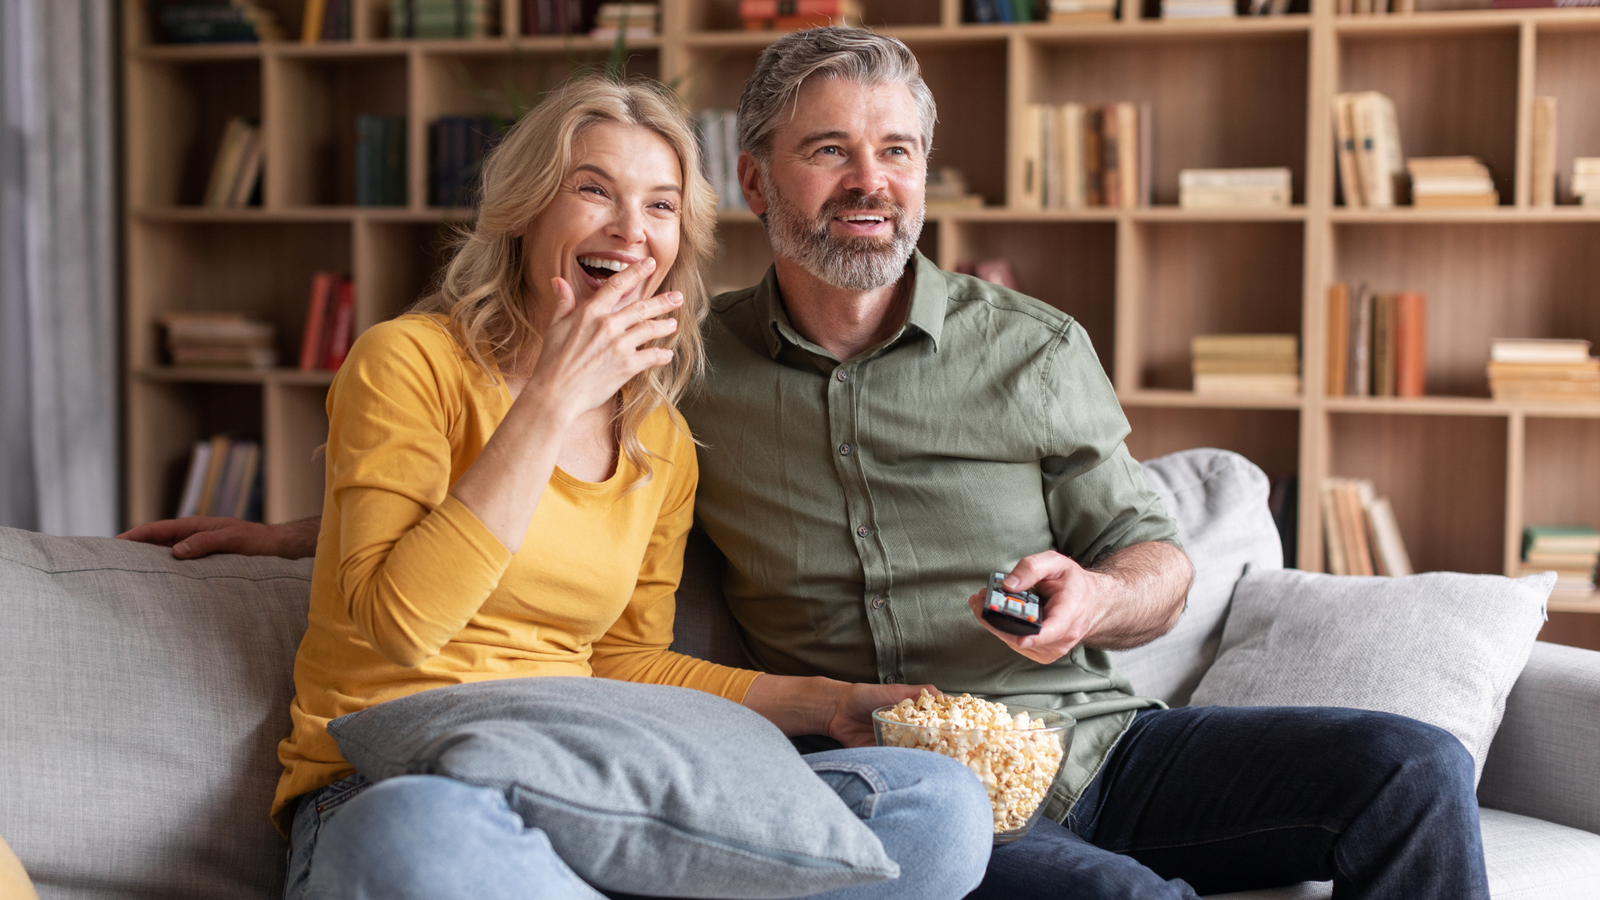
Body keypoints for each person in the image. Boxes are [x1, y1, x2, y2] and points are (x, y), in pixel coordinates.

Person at [125, 30, 1489, 900]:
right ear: (765, 182)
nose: (868, 181)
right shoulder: (657, 373)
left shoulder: (966, 361)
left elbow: (1152, 555)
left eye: (895, 151)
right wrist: (320, 525)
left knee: (1401, 769)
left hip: (1084, 741)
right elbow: (436, 569)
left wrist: (1089, 597)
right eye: (829, 149)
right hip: (472, 765)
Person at [133, 77, 994, 900]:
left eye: (659, 205)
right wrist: (550, 399)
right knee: (413, 836)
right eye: (594, 191)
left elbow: (624, 662)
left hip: (579, 783)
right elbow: (399, 628)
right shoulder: (409, 363)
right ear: (526, 212)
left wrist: (827, 704)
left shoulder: (658, 441)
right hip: (394, 786)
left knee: (934, 807)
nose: (630, 230)